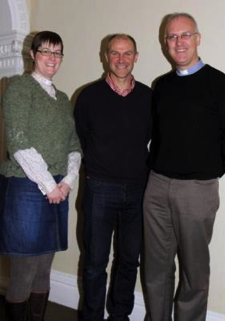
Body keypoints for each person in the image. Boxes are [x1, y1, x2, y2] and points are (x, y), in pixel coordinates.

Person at [143, 12, 225, 321]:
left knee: (194, 272)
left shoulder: (221, 84)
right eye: (172, 37)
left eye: (185, 35)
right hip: (157, 187)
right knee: (156, 267)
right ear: (165, 44)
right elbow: (157, 136)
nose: (179, 42)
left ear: (198, 38)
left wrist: (205, 172)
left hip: (197, 191)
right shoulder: (161, 86)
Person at [0, 31, 81, 321]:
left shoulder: (61, 98)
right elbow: (18, 140)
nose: (52, 58)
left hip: (57, 188)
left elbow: (74, 144)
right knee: (24, 270)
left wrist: (67, 182)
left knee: (45, 267)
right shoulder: (19, 88)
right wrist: (49, 185)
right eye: (45, 51)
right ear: (33, 54)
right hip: (26, 187)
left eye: (57, 53)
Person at [74, 34, 152, 321]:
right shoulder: (88, 96)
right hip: (100, 189)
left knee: (130, 260)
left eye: (127, 53)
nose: (121, 59)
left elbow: (154, 141)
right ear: (105, 56)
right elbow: (78, 142)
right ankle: (92, 317)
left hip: (138, 190)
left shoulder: (148, 97)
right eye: (115, 53)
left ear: (136, 57)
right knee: (95, 262)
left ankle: (120, 316)